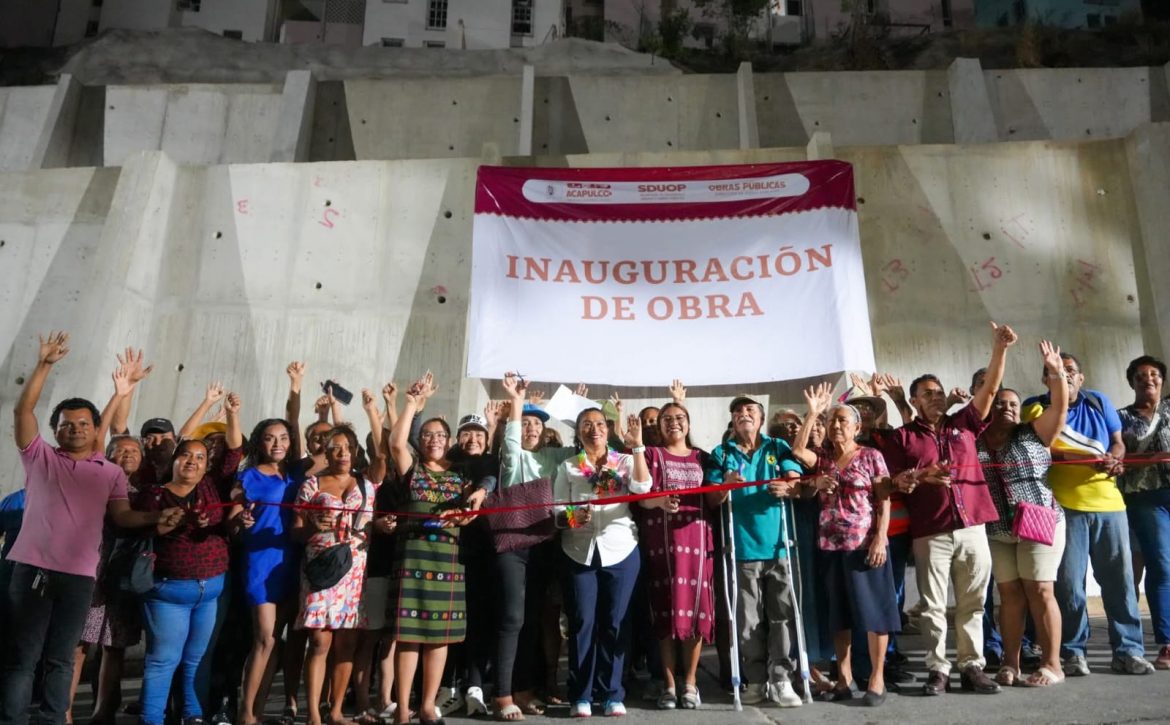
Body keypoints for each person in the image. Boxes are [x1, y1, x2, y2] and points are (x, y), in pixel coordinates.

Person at [1, 333, 176, 725]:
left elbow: (123, 516)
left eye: (84, 424)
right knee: (22, 658)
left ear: (94, 428)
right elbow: (23, 411)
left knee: (61, 658)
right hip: (31, 572)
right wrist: (45, 364)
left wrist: (156, 518)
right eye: (67, 424)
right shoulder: (40, 457)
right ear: (55, 430)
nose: (76, 429)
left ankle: (52, 720)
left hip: (80, 578)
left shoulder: (109, 472)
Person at [882, 322, 1017, 696]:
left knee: (974, 603)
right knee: (933, 606)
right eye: (927, 394)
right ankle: (938, 669)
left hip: (973, 526)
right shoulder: (902, 437)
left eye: (939, 392)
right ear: (914, 402)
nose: (936, 398)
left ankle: (972, 667)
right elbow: (891, 481)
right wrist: (920, 476)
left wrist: (999, 349)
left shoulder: (965, 424)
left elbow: (990, 389)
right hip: (931, 531)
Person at [1021, 353, 1154, 676]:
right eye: (1055, 371)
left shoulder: (1098, 401)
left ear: (1081, 378)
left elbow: (1118, 443)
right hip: (1064, 507)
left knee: (1120, 584)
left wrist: (1114, 458)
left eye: (1070, 371)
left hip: (1110, 506)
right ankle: (1072, 653)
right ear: (1046, 379)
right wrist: (1086, 459)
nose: (1064, 375)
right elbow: (1045, 446)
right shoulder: (1035, 406)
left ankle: (1128, 651)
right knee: (1069, 586)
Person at [134, 397, 240, 725]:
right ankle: (151, 719)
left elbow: (234, 452)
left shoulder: (211, 486)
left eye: (200, 457)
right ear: (174, 460)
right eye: (186, 455)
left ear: (207, 466)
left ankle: (192, 715)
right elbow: (149, 531)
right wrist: (174, 521)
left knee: (196, 658)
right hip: (168, 592)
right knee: (163, 660)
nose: (192, 461)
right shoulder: (153, 494)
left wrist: (232, 414)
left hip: (211, 591)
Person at [794, 393, 900, 707]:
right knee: (838, 615)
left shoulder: (870, 456)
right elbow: (798, 451)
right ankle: (844, 677)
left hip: (864, 547)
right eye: (831, 421)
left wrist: (880, 538)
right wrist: (812, 413)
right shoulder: (822, 457)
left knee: (875, 613)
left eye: (842, 421)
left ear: (856, 428)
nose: (836, 426)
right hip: (830, 546)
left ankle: (877, 679)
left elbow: (883, 499)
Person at [705, 394, 808, 708]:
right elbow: (712, 499)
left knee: (783, 615)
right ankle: (756, 679)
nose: (743, 414)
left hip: (779, 546)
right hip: (742, 548)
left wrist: (789, 487)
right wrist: (725, 484)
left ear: (761, 418)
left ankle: (781, 678)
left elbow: (796, 482)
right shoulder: (722, 452)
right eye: (737, 411)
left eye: (750, 409)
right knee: (748, 621)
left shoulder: (777, 446)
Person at [386, 373, 477, 725]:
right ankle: (402, 710)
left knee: (439, 638)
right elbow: (396, 443)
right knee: (408, 638)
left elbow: (472, 510)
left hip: (448, 562)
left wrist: (467, 515)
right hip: (412, 560)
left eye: (440, 435)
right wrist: (411, 403)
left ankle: (427, 706)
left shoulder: (461, 474)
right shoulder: (412, 468)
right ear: (420, 441)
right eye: (427, 435)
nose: (434, 439)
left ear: (449, 441)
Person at [977, 340, 1070, 687]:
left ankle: (1052, 664)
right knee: (1010, 595)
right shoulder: (975, 440)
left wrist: (1056, 372)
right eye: (1001, 403)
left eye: (1014, 404)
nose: (1008, 408)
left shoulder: (1035, 432)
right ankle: (1010, 664)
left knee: (1040, 590)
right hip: (997, 529)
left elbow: (1059, 406)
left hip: (1039, 522)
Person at [554, 408, 650, 718]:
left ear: (607, 430)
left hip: (620, 549)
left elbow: (642, 488)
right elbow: (556, 512)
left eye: (599, 424)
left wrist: (637, 446)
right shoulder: (568, 466)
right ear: (578, 431)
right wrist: (573, 517)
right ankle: (580, 694)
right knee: (582, 622)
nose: (593, 429)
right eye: (586, 425)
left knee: (615, 622)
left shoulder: (623, 461)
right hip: (578, 551)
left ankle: (612, 693)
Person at [229, 364, 311, 725]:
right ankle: (245, 713)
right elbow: (232, 518)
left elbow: (295, 422)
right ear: (258, 442)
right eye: (269, 438)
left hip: (291, 561)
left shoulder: (295, 473)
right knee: (263, 638)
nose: (277, 443)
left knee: (277, 640)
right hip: (260, 562)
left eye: (283, 438)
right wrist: (240, 523)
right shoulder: (247, 476)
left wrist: (296, 386)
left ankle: (258, 711)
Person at [495, 374, 576, 720]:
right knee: (512, 618)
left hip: (544, 545)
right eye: (526, 423)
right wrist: (517, 401)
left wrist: (575, 409)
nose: (531, 429)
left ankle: (524, 690)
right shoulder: (511, 457)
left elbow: (588, 447)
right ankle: (502, 694)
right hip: (513, 545)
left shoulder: (554, 457)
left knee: (531, 620)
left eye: (537, 424)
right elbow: (512, 441)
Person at [293, 423, 383, 725]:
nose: (343, 453)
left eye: (348, 448)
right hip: (321, 567)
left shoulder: (367, 484)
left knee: (347, 644)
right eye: (336, 447)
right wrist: (312, 526)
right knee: (319, 642)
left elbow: (383, 456)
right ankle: (313, 714)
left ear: (356, 452)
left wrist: (375, 412)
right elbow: (295, 531)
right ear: (325, 451)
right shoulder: (311, 485)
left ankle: (335, 711)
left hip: (354, 570)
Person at [638, 402, 717, 710]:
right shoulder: (651, 455)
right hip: (662, 543)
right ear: (659, 426)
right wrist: (658, 501)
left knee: (695, 610)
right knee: (665, 610)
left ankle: (691, 683)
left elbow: (714, 496)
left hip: (697, 541)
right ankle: (669, 685)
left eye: (680, 418)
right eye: (667, 419)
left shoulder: (702, 457)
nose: (674, 423)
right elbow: (640, 495)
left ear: (689, 423)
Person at [72, 436, 150, 725]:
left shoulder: (147, 494)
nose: (128, 454)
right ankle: (63, 712)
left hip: (123, 577)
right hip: (90, 572)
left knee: (114, 646)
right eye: (121, 449)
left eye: (134, 450)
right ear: (107, 455)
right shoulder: (94, 484)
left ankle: (103, 712)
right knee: (77, 645)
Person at [1117, 354, 1170, 670]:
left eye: (1153, 374)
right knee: (1162, 566)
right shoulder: (1121, 417)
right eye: (1140, 375)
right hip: (1145, 498)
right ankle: (1167, 642)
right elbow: (1117, 459)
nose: (1148, 379)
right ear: (1132, 382)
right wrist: (1155, 458)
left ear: (1162, 379)